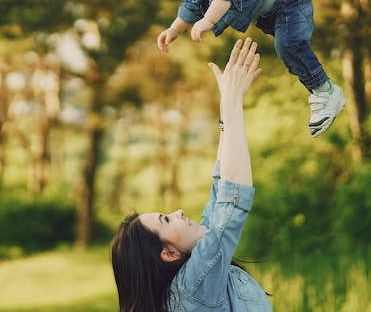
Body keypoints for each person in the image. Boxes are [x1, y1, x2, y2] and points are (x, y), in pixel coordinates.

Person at [134, 0, 346, 137]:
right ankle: (322, 91)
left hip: (288, 1)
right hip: (275, 12)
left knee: (288, 45)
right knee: (286, 49)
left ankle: (325, 92)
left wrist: (208, 20)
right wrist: (174, 29)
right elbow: (192, 5)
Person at [111, 38, 272, 312]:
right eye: (166, 219)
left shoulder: (192, 275)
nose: (180, 212)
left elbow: (221, 188)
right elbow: (231, 203)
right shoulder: (194, 287)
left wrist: (227, 111)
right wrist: (232, 103)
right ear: (169, 253)